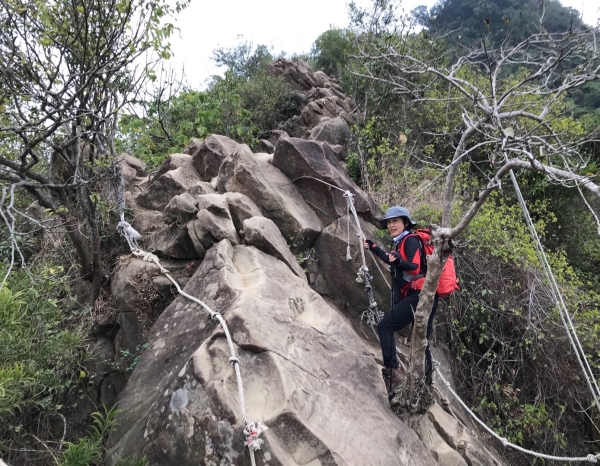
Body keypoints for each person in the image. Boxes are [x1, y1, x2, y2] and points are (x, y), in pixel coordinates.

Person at [364, 206, 438, 392]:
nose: (391, 225)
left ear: (405, 223)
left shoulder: (411, 240)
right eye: (389, 222)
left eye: (395, 221)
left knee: (385, 327)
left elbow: (413, 267)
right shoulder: (401, 242)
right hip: (426, 296)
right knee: (420, 341)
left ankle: (393, 371)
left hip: (419, 296)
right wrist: (373, 247)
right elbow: (393, 260)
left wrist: (397, 261)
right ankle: (426, 384)